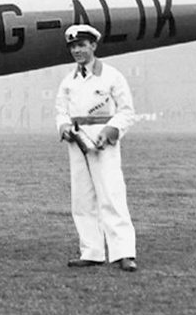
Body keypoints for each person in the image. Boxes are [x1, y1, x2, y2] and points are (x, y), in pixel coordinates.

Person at [54, 24, 138, 271]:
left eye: (81, 45)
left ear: (93, 45)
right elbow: (61, 110)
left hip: (104, 141)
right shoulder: (68, 81)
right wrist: (64, 127)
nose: (77, 51)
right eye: (73, 47)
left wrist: (110, 131)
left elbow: (126, 111)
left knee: (111, 194)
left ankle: (124, 252)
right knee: (82, 199)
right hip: (77, 141)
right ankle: (91, 251)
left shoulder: (112, 76)